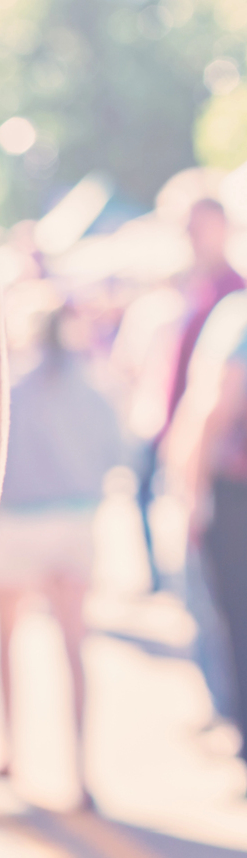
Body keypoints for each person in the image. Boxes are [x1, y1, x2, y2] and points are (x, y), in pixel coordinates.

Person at [0, 305, 124, 810]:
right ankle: (81, 772)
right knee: (73, 648)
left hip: (21, 523)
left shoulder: (11, 391)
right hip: (72, 521)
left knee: (6, 640)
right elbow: (117, 453)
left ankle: (9, 750)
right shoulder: (94, 390)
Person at [138, 198, 242, 590]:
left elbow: (212, 403)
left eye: (197, 227)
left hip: (217, 464)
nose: (190, 238)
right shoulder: (195, 288)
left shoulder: (232, 295)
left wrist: (194, 482)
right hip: (188, 445)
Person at [189, 318, 247, 779]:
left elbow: (219, 409)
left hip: (237, 495)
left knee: (238, 622)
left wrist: (194, 492)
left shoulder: (240, 321)